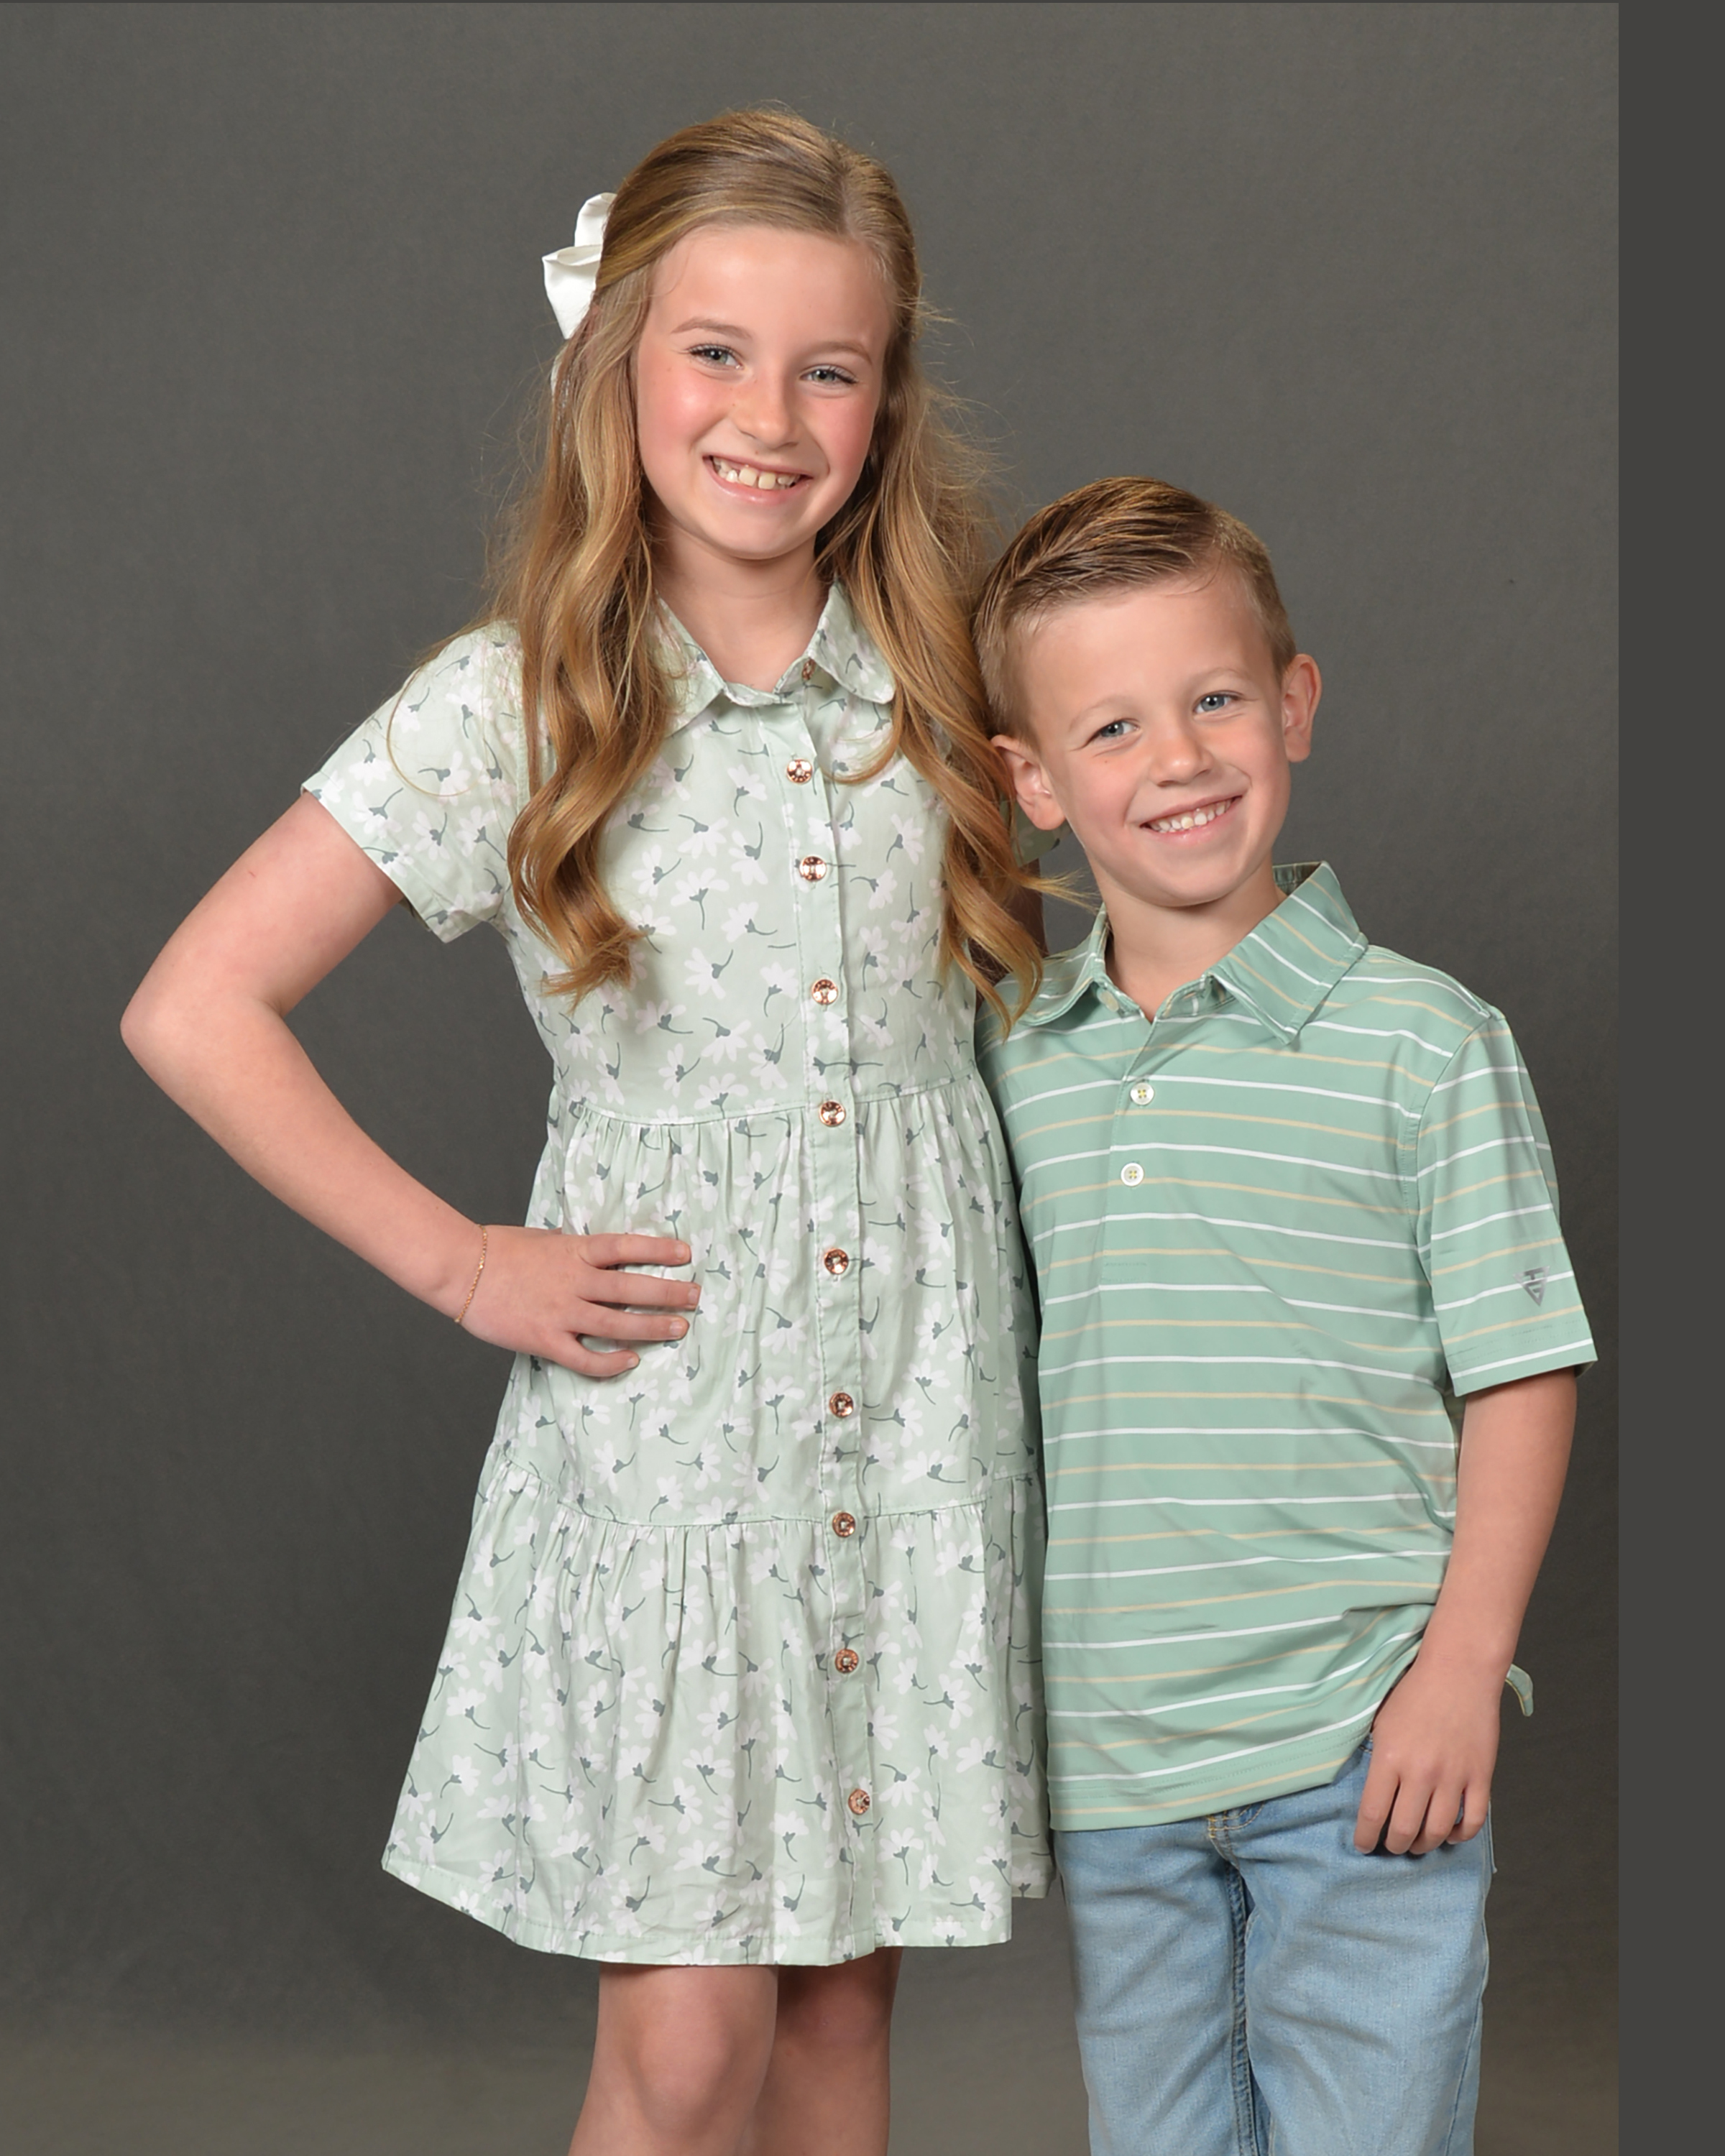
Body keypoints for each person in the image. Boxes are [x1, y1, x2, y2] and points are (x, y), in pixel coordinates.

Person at [121, 109, 1056, 2156]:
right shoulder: (520, 700)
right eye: (715, 354)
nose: (769, 418)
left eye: (828, 369)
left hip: (910, 1431)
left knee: (839, 2022)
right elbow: (194, 1007)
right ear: (617, 366)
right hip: (679, 1445)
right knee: (691, 2049)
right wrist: (466, 1263)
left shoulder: (951, 674)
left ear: (888, 401)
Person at [972, 476, 1596, 2156]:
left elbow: (1523, 1370)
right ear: (1034, 782)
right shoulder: (1014, 1058)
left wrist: (1462, 1668)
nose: (1176, 759)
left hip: (1363, 1741)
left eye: (1215, 700)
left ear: (1295, 703)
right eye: (1111, 727)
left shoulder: (1425, 1044)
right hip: (1118, 1767)